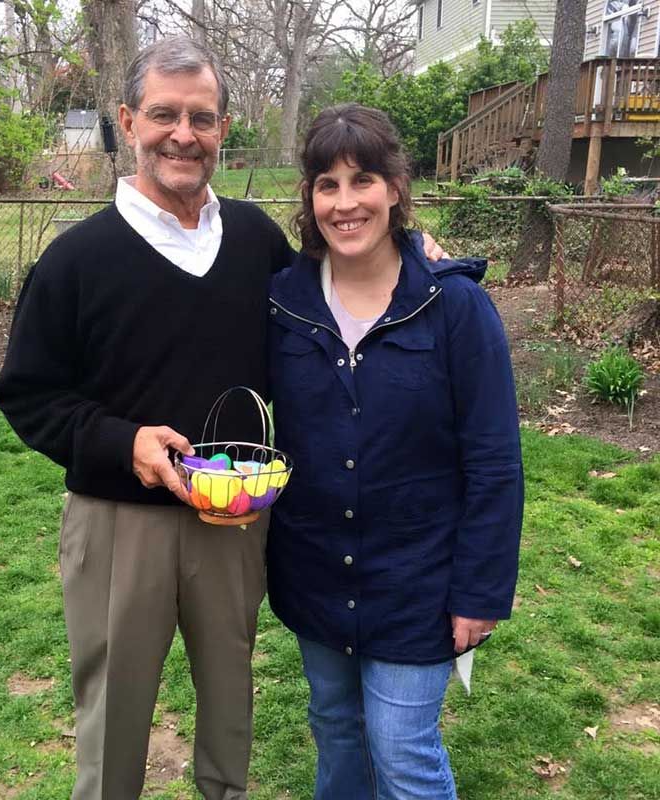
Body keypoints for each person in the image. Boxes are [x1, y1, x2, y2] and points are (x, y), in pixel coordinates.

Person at [0, 38, 445, 799]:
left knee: (230, 707)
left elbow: (343, 278)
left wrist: (415, 255)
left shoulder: (256, 243)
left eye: (201, 117)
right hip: (118, 524)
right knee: (116, 719)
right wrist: (120, 439)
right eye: (164, 114)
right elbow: (28, 394)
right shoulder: (75, 261)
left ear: (223, 128)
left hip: (234, 521)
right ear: (128, 119)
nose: (183, 133)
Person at [266, 103, 524, 800]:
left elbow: (496, 462)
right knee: (338, 731)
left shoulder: (454, 308)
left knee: (402, 752)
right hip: (314, 570)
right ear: (309, 198)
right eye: (327, 184)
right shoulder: (285, 302)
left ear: (397, 189)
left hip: (419, 583)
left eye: (363, 181)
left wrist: (482, 590)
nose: (346, 203)